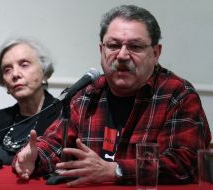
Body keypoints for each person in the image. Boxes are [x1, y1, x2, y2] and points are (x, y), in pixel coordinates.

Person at [13, 5, 212, 186]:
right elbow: (55, 145)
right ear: (101, 50)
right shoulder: (86, 95)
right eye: (114, 45)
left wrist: (115, 170)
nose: (123, 55)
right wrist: (34, 156)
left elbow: (185, 165)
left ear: (156, 53)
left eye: (135, 46)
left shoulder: (178, 95)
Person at [0, 38, 62, 165]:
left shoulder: (65, 116)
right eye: (7, 69)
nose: (15, 74)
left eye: (24, 65)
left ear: (45, 73)